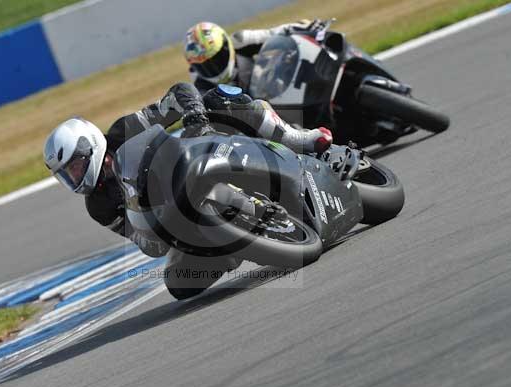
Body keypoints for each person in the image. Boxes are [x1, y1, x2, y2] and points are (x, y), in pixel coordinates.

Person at [43, 82, 332, 258]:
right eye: (68, 174)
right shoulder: (98, 206)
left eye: (77, 166)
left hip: (200, 154)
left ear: (91, 147)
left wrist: (196, 119)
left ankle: (296, 139)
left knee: (219, 97)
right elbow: (140, 240)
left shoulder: (124, 130)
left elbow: (179, 92)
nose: (76, 177)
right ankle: (239, 242)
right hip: (182, 219)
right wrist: (152, 237)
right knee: (181, 286)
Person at [183, 20, 324, 93]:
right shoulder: (199, 81)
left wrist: (308, 28)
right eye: (204, 66)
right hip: (249, 115)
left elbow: (277, 32)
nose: (212, 67)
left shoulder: (240, 40)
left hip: (271, 87)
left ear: (226, 45)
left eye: (216, 59)